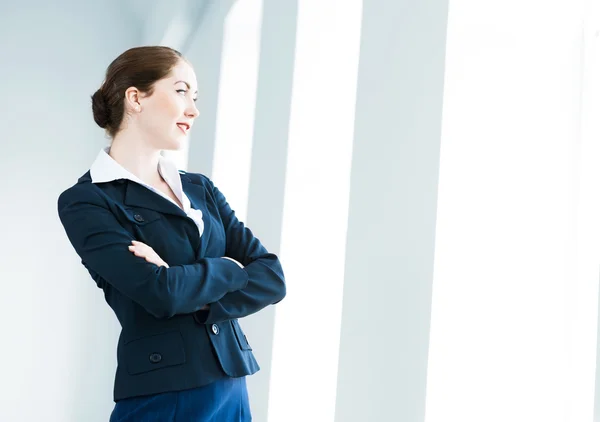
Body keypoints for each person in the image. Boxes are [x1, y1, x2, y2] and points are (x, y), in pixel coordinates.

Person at [57, 46, 286, 421]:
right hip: (164, 391)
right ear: (136, 98)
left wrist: (184, 283)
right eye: (181, 91)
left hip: (232, 385)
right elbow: (159, 293)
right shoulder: (87, 200)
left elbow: (272, 278)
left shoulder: (200, 188)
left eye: (195, 97)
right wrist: (229, 267)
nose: (193, 109)